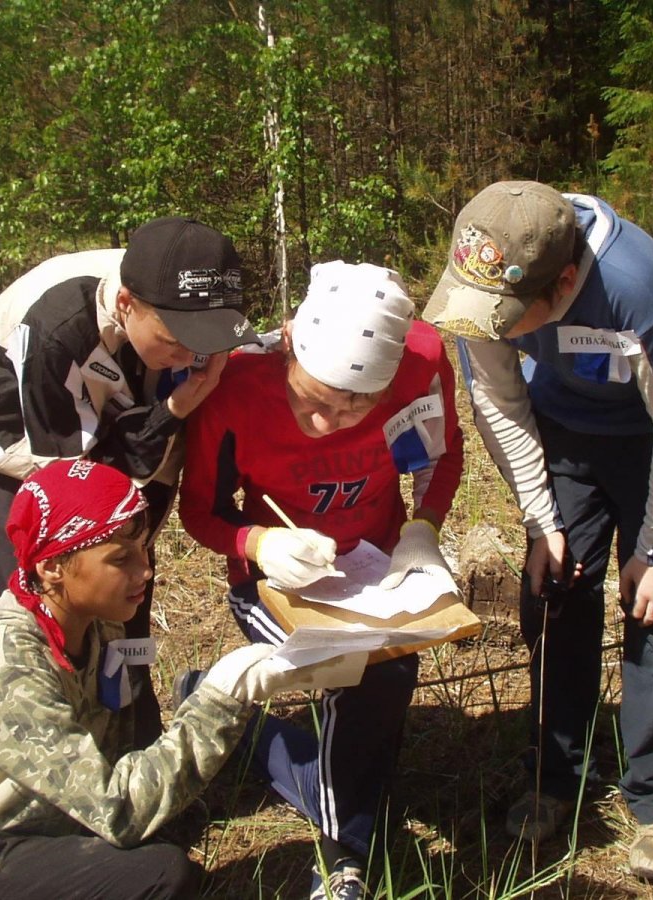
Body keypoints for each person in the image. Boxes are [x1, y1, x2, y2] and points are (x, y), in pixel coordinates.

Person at [424, 181, 653, 882]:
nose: (489, 326)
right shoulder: (486, 279)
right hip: (567, 422)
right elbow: (497, 398)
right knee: (554, 588)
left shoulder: (632, 285)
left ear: (562, 285)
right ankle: (557, 775)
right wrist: (541, 521)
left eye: (506, 316)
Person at [178, 260, 465, 900]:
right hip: (274, 580)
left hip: (379, 564)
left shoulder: (420, 359)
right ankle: (346, 861)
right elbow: (198, 508)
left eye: (356, 407)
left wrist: (422, 529)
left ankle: (242, 725)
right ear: (287, 345)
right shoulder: (236, 389)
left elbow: (443, 456)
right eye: (312, 401)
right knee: (359, 674)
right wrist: (259, 542)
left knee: (388, 672)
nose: (328, 424)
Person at [0, 458, 311, 900]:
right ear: (51, 567)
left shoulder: (96, 626)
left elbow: (113, 765)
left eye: (143, 549)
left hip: (46, 832)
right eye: (121, 559)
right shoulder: (6, 665)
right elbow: (118, 810)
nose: (145, 571)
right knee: (160, 875)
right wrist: (221, 699)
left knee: (171, 839)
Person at [0, 216, 259, 731]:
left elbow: (218, 350)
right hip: (27, 441)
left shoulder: (176, 298)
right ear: (125, 305)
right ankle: (48, 746)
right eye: (178, 341)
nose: (191, 355)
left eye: (206, 339)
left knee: (128, 581)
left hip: (126, 409)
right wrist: (174, 409)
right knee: (50, 594)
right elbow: (74, 493)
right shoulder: (57, 328)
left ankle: (135, 732)